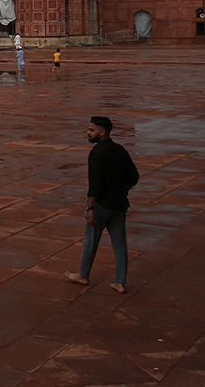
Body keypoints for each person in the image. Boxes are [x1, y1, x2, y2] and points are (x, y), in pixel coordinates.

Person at [66, 116, 139, 294]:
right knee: (120, 243)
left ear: (102, 132)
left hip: (102, 205)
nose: (88, 133)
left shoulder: (97, 153)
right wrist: (121, 190)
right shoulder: (120, 150)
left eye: (91, 130)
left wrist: (90, 208)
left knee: (91, 240)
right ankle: (120, 282)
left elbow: (95, 185)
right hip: (120, 203)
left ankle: (83, 274)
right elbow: (134, 176)